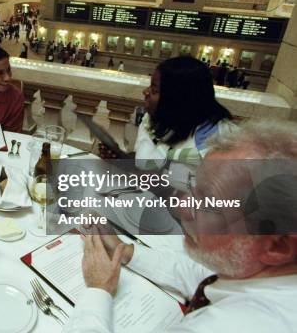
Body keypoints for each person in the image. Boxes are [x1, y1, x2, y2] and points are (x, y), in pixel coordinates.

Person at [65, 119, 297, 332]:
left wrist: (97, 290)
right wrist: (124, 250)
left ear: (278, 246)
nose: (180, 207)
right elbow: (204, 274)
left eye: (209, 204)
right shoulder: (259, 271)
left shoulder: (237, 324)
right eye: (193, 187)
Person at [99, 57, 233, 169]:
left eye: (155, 90)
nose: (145, 92)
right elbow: (150, 163)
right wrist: (121, 158)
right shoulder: (152, 121)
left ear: (177, 98)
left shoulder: (220, 141)